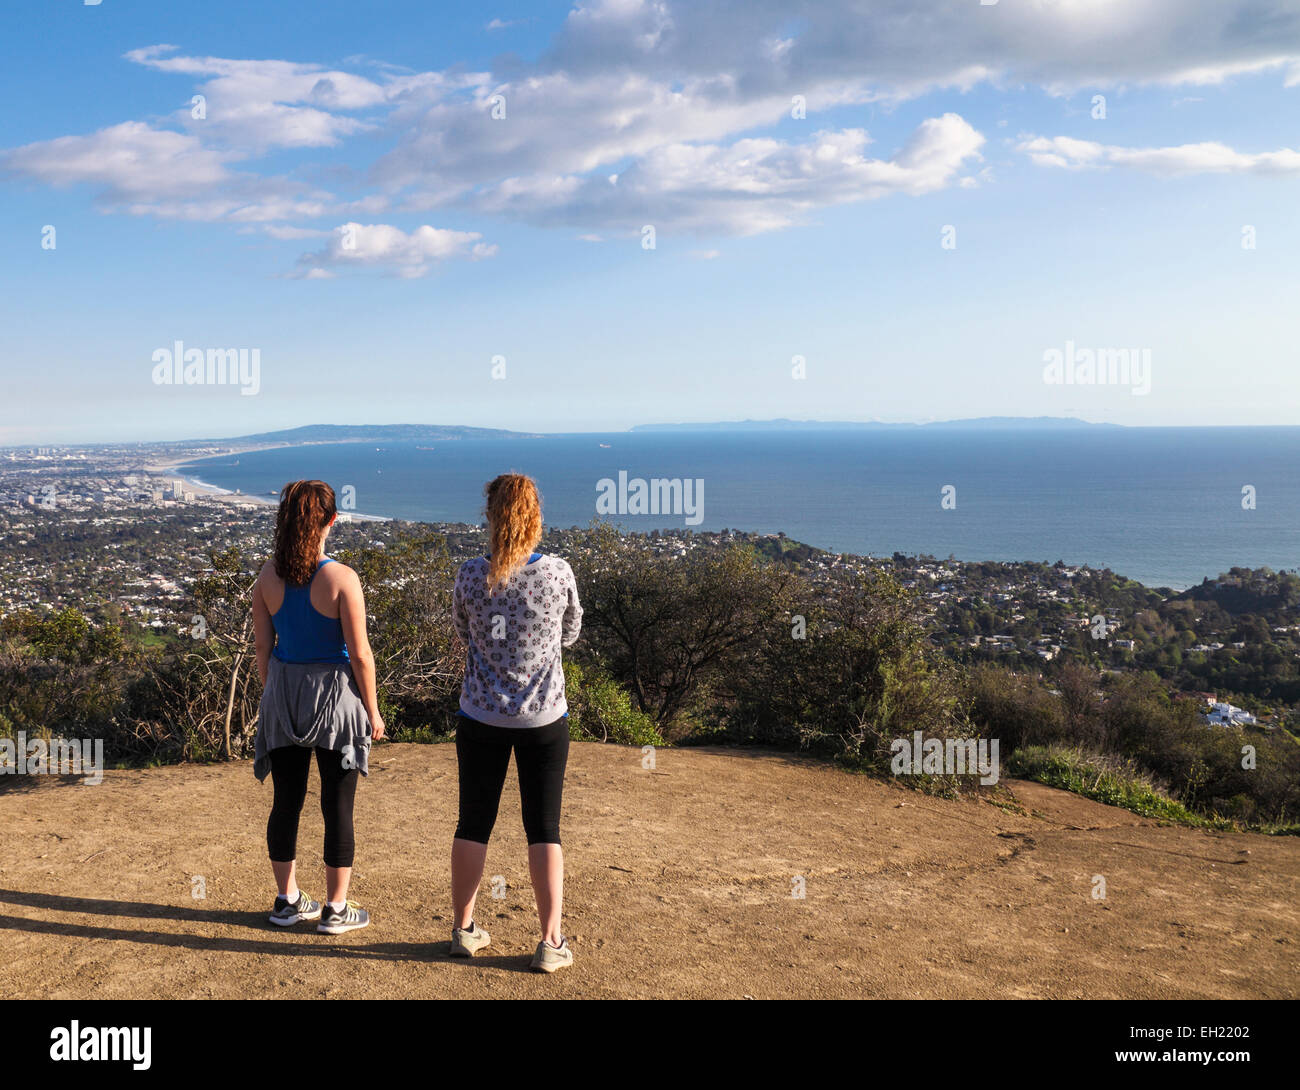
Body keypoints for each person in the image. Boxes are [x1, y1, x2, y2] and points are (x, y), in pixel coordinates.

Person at [449, 473, 583, 972]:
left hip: (481, 715)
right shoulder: (558, 573)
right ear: (536, 518)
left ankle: (464, 930)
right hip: (543, 717)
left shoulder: (469, 575)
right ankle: (550, 942)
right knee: (544, 827)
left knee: (473, 822)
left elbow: (465, 632)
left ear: (489, 517)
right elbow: (570, 633)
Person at [252, 479, 384, 934]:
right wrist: (373, 710)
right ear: (330, 520)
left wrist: (275, 696)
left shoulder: (267, 577)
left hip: (284, 694)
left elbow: (263, 650)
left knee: (285, 800)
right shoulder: (341, 579)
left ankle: (287, 901)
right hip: (337, 700)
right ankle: (335, 907)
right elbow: (361, 654)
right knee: (338, 803)